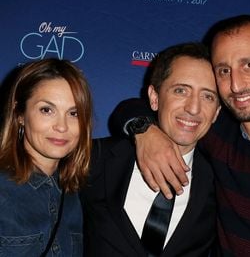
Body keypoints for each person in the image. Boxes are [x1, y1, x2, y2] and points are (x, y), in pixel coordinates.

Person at [121, 15, 250, 256]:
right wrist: (145, 131)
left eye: (249, 65)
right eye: (224, 70)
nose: (236, 85)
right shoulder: (215, 129)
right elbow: (133, 107)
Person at [80, 42, 221, 256]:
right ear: (154, 98)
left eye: (208, 96)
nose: (193, 108)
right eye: (181, 90)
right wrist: (142, 128)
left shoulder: (222, 184)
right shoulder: (95, 159)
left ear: (217, 112)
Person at [0, 58, 93, 256]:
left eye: (74, 113)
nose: (62, 126)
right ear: (20, 114)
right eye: (47, 110)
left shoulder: (73, 192)